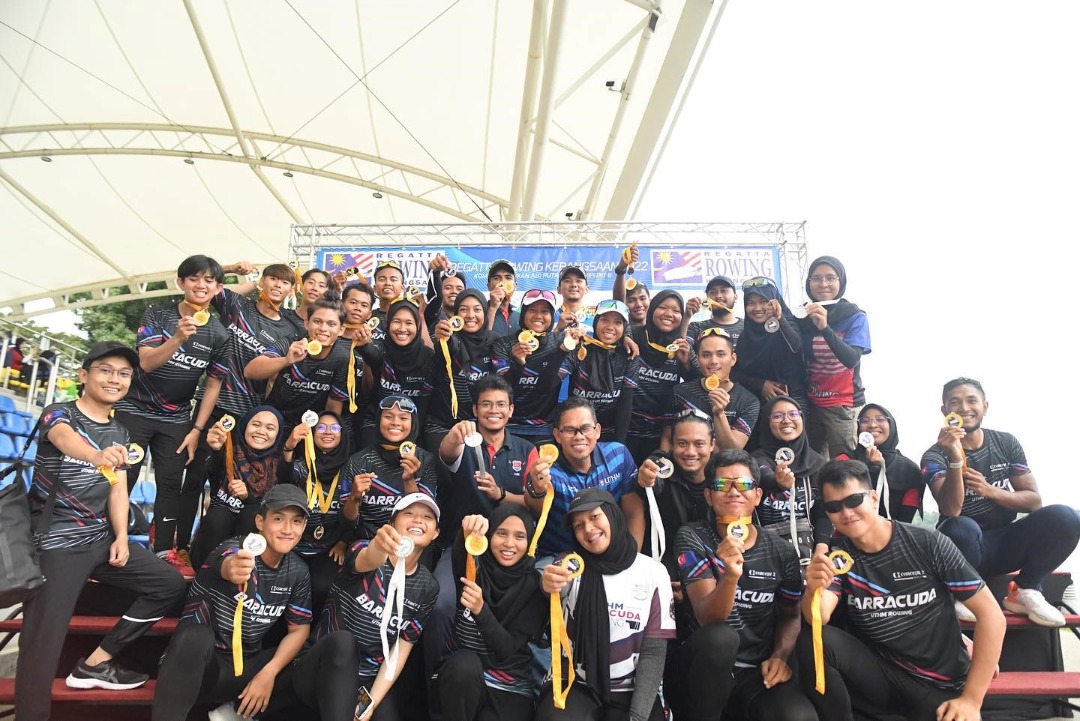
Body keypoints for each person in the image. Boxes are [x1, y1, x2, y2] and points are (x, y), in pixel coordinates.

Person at [16, 342, 187, 721]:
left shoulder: (120, 431)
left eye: (124, 374)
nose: (115, 379)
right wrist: (95, 456)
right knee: (42, 644)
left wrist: (122, 537)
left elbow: (118, 490)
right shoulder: (59, 413)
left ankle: (97, 661)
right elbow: (64, 439)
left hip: (101, 540)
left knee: (169, 584)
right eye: (105, 370)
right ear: (84, 375)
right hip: (57, 544)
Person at [797, 460, 1006, 721]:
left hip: (939, 685)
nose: (846, 512)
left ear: (874, 498)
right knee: (814, 640)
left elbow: (992, 616)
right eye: (834, 507)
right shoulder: (839, 559)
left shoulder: (927, 543)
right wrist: (813, 588)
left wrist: (972, 700)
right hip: (884, 678)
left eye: (853, 500)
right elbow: (818, 616)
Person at [668, 449, 815, 721]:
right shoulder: (693, 537)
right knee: (721, 637)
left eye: (744, 484)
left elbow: (791, 615)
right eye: (722, 484)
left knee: (799, 717)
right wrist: (730, 577)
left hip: (753, 672)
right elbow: (708, 618)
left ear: (757, 496)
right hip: (700, 670)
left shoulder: (781, 551)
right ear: (708, 496)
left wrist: (780, 656)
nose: (734, 491)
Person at [923, 377, 1080, 626]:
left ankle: (1026, 589)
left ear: (985, 406)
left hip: (1004, 542)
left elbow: (1033, 502)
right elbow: (951, 509)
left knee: (1067, 517)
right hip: (961, 549)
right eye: (955, 402)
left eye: (972, 400)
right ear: (945, 411)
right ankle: (963, 594)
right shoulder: (933, 455)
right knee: (961, 526)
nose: (964, 408)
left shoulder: (1005, 443)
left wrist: (990, 491)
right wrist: (954, 458)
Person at [151, 484, 313, 721]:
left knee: (311, 654)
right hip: (202, 667)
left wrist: (268, 673)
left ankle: (235, 713)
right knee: (195, 636)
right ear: (260, 521)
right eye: (278, 519)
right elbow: (228, 563)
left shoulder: (298, 570)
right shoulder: (232, 549)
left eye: (296, 521)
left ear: (304, 526)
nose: (288, 529)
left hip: (246, 669)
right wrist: (233, 568)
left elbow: (299, 630)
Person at [183, 262, 306, 566]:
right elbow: (209, 289)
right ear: (263, 281)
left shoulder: (290, 329)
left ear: (291, 289)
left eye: (284, 282)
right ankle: (182, 546)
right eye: (272, 279)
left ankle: (230, 551)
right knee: (195, 475)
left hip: (249, 416)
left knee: (234, 487)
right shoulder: (239, 305)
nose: (277, 285)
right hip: (214, 402)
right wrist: (238, 273)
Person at [281, 493, 441, 720]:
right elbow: (368, 558)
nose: (418, 520)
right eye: (409, 513)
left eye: (427, 517)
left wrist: (371, 703)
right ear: (392, 523)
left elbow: (400, 650)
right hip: (320, 668)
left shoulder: (428, 587)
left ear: (436, 533)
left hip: (366, 681)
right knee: (344, 642)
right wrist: (379, 547)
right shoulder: (361, 548)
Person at [115, 254, 230, 562]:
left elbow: (213, 385)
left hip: (177, 418)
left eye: (209, 280)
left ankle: (164, 550)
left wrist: (196, 429)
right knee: (123, 476)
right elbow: (146, 363)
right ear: (181, 282)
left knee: (170, 484)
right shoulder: (157, 314)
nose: (201, 285)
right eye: (194, 278)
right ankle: (106, 540)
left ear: (218, 288)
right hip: (135, 410)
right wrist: (178, 337)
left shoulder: (220, 334)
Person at [538, 488, 675, 721]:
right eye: (578, 525)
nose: (588, 529)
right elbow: (557, 582)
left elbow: (653, 652)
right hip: (576, 683)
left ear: (613, 515)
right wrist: (548, 583)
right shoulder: (572, 563)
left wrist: (638, 716)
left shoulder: (653, 571)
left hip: (630, 688)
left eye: (594, 517)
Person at [438, 509, 547, 721]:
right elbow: (462, 550)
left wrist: (481, 610)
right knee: (463, 664)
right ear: (489, 536)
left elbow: (507, 648)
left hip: (510, 684)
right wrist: (468, 528)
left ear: (530, 542)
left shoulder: (535, 585)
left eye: (520, 536)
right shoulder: (474, 568)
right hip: (464, 678)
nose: (509, 543)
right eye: (501, 533)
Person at [525, 398, 643, 558]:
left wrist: (632, 559)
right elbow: (534, 512)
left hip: (612, 555)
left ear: (598, 430)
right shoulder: (546, 468)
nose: (579, 436)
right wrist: (537, 489)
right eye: (569, 430)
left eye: (586, 428)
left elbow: (634, 513)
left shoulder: (618, 455)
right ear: (557, 435)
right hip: (560, 557)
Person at [634, 409, 716, 626]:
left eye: (699, 444)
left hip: (712, 561)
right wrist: (645, 478)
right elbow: (650, 478)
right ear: (671, 445)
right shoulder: (662, 465)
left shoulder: (722, 472)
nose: (690, 452)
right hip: (667, 561)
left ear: (712, 445)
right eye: (682, 443)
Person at [188, 405, 289, 568]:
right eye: (256, 424)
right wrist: (216, 450)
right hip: (209, 545)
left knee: (253, 515)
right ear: (245, 426)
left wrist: (248, 497)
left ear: (278, 435)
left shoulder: (280, 468)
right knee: (219, 516)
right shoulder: (228, 451)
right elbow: (212, 469)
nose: (261, 431)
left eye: (270, 428)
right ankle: (205, 573)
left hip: (246, 557)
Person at [797, 256, 871, 457]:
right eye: (816, 278)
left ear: (841, 281)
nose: (823, 284)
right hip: (811, 402)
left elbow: (851, 359)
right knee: (813, 462)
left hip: (843, 404)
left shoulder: (854, 316)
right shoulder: (802, 315)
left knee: (846, 463)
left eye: (830, 278)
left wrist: (825, 328)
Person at [245, 294, 349, 436]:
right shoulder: (292, 342)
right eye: (317, 321)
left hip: (310, 427)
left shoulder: (343, 358)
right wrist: (286, 360)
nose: (323, 328)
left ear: (341, 329)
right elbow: (250, 371)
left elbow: (333, 407)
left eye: (331, 324)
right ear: (306, 323)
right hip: (275, 420)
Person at [341, 395, 440, 541]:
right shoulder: (358, 461)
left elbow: (424, 517)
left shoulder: (425, 460)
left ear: (413, 423)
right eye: (388, 416)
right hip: (368, 542)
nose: (395, 422)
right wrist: (354, 497)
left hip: (410, 540)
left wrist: (409, 480)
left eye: (403, 418)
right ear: (378, 420)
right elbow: (347, 523)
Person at [284, 410, 353, 616]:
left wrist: (343, 542)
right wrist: (289, 447)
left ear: (343, 434)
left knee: (322, 586)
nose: (327, 431)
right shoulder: (301, 467)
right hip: (294, 545)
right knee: (286, 584)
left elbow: (357, 509)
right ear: (312, 434)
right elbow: (283, 478)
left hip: (329, 548)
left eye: (334, 427)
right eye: (321, 427)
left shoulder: (351, 469)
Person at [750, 396, 831, 564]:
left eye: (793, 414)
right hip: (764, 553)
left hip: (809, 553)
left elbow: (822, 513)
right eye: (777, 416)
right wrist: (777, 482)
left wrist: (821, 549)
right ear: (766, 422)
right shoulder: (755, 459)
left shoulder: (818, 463)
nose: (786, 420)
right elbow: (763, 474)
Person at [492, 289, 573, 445]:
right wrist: (517, 364)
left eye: (545, 311)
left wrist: (562, 351)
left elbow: (547, 387)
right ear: (523, 313)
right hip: (507, 426)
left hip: (544, 428)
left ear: (552, 316)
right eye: (532, 310)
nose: (538, 316)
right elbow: (501, 389)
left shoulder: (561, 344)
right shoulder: (503, 344)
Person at [353, 298, 437, 447]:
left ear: (418, 326)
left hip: (416, 424)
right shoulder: (381, 349)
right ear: (388, 324)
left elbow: (425, 404)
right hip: (376, 422)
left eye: (409, 323)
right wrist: (363, 345)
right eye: (396, 322)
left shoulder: (428, 356)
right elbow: (371, 352)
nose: (402, 328)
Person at [559, 299, 641, 444]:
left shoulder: (629, 354)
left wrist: (619, 444)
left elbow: (625, 404)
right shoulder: (580, 347)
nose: (610, 327)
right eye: (604, 320)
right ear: (596, 321)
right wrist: (564, 347)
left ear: (624, 327)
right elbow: (552, 382)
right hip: (577, 432)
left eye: (618, 322)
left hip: (609, 432)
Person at [626, 290, 694, 464]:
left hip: (662, 435)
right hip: (626, 429)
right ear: (652, 309)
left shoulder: (682, 346)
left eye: (676, 310)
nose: (669, 314)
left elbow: (695, 386)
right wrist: (623, 339)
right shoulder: (632, 335)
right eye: (663, 307)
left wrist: (687, 364)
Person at [427, 289, 500, 448]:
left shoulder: (495, 340)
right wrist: (443, 338)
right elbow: (449, 346)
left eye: (477, 309)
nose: (470, 315)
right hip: (443, 424)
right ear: (456, 314)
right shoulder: (449, 338)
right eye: (464, 309)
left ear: (485, 312)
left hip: (482, 425)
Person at [669, 328, 758, 451]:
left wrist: (719, 414)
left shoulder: (748, 401)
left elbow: (733, 451)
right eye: (706, 355)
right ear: (698, 359)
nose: (714, 361)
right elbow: (667, 440)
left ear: (733, 359)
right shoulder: (680, 393)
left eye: (721, 354)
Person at [835, 403, 924, 522]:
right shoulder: (844, 460)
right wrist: (868, 468)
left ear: (891, 425)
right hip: (849, 529)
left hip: (894, 531)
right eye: (865, 420)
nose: (872, 425)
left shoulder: (909, 470)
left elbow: (906, 521)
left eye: (880, 419)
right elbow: (835, 495)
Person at [733, 276, 809, 414]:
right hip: (758, 401)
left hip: (793, 399)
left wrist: (780, 319)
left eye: (764, 301)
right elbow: (736, 373)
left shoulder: (789, 323)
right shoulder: (746, 336)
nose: (757, 308)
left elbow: (796, 347)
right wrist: (760, 385)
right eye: (750, 303)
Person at [686, 274, 744, 346]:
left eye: (724, 291)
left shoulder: (748, 327)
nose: (718, 296)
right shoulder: (696, 327)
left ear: (735, 297)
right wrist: (687, 317)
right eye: (713, 292)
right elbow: (682, 350)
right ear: (707, 299)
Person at [424, 253, 467, 338]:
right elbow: (434, 296)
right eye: (448, 288)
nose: (454, 291)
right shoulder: (433, 314)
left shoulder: (471, 319)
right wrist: (435, 273)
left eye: (459, 289)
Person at [371, 260, 407, 341]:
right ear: (375, 288)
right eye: (382, 279)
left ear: (402, 288)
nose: (387, 283)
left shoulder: (411, 317)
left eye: (393, 279)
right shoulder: (366, 317)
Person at [485, 259, 520, 336]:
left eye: (508, 278)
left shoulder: (520, 316)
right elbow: (482, 340)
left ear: (515, 286)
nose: (503, 282)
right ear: (489, 286)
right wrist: (492, 308)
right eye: (496, 278)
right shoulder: (479, 313)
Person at [554, 266, 595, 331]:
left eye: (579, 281)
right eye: (567, 281)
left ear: (587, 289)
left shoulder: (596, 319)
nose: (573, 285)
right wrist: (557, 329)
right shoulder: (549, 319)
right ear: (559, 289)